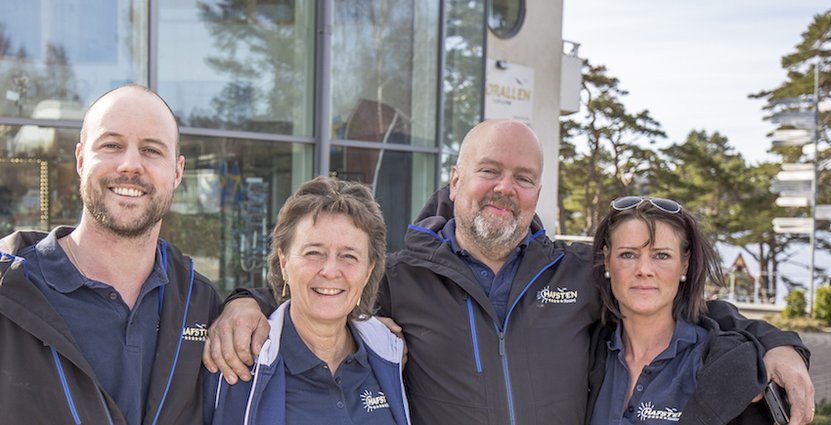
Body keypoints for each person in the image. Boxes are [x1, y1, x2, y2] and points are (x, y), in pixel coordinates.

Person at [204, 119, 815, 424]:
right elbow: (319, 283)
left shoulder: (580, 271)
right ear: (456, 182)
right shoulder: (399, 274)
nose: (505, 188)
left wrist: (778, 344)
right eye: (490, 171)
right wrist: (243, 303)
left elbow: (679, 303)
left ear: (537, 191)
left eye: (523, 179)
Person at [0, 84, 222, 424]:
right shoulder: (12, 292)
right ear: (80, 159)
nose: (130, 165)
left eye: (151, 150)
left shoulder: (200, 302)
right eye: (111, 145)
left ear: (177, 172)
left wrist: (246, 302)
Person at [204, 176, 410, 424]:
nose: (330, 271)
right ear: (284, 262)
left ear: (368, 271)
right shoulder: (238, 362)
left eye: (349, 256)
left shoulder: (390, 356)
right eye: (314, 253)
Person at [587, 196, 780, 424]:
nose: (644, 269)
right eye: (628, 254)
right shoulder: (587, 352)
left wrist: (784, 348)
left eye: (662, 255)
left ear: (684, 266)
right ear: (608, 261)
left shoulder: (722, 362)